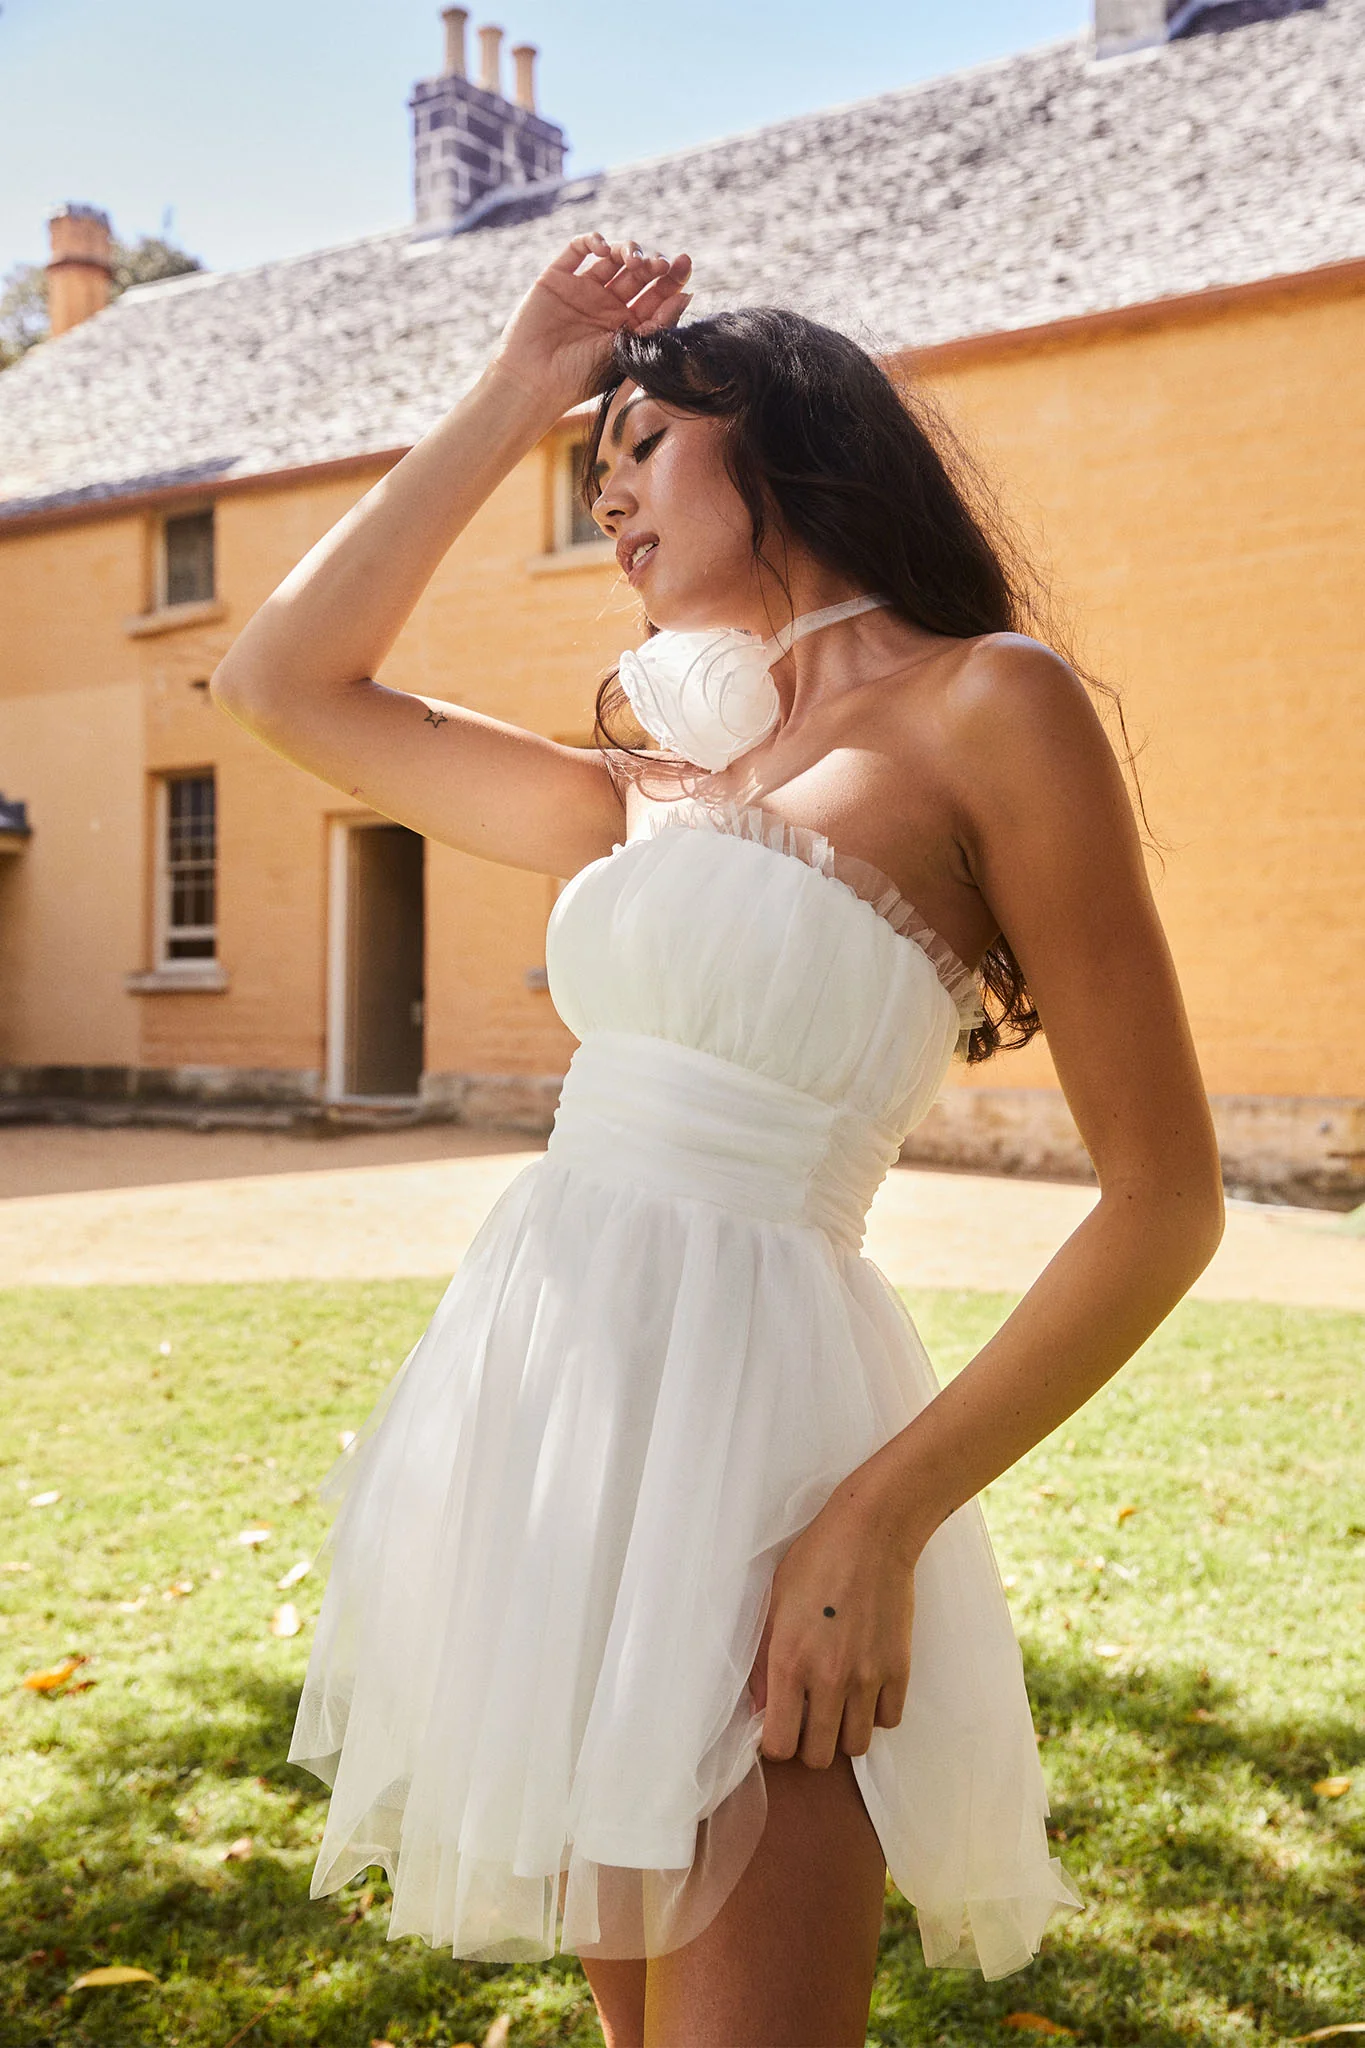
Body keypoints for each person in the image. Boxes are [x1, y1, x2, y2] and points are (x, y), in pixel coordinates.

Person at [210, 232, 1226, 2048]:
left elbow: (1163, 1204)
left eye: (642, 452)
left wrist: (876, 1518)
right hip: (553, 1437)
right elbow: (278, 686)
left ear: (784, 437)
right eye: (589, 471)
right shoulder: (656, 789)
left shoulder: (991, 704)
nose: (606, 502)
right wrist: (518, 388)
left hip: (771, 1459)